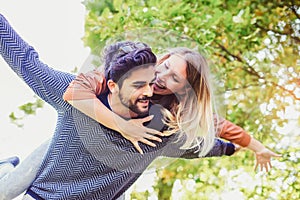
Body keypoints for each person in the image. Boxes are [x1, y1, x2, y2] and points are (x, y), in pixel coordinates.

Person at [0, 14, 236, 200]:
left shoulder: (160, 131)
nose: (153, 85)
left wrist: (229, 148)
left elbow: (196, 147)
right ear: (113, 81)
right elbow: (27, 61)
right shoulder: (74, 95)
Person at [64, 46, 281, 171]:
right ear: (163, 59)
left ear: (184, 90)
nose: (161, 77)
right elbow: (74, 92)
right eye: (165, 67)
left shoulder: (173, 110)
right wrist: (123, 126)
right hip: (73, 141)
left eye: (174, 78)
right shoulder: (130, 69)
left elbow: (218, 128)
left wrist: (256, 148)